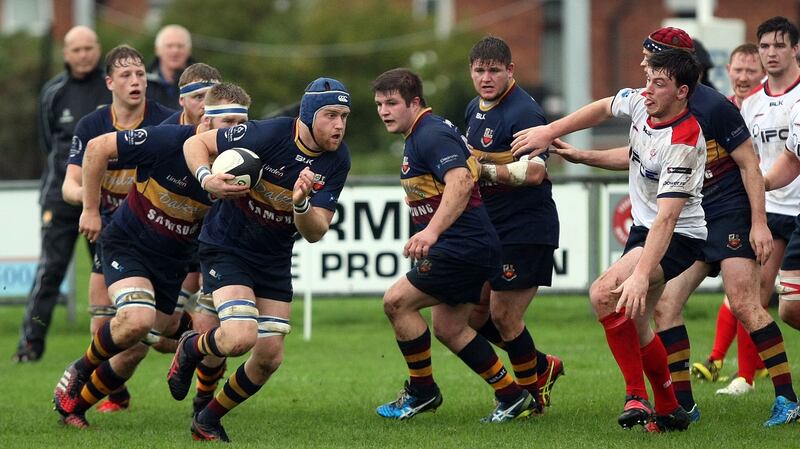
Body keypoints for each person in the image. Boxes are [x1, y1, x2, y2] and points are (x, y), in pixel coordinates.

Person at [515, 26, 800, 428]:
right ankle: (677, 405)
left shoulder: (710, 110)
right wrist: (577, 150)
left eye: (651, 59)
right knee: (662, 307)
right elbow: (637, 149)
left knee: (743, 303)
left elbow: (749, 165)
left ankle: (787, 399)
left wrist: (757, 222)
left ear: (677, 72)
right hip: (681, 213)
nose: (644, 67)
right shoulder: (648, 99)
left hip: (721, 212)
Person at [524, 49, 708, 432]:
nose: (648, 89)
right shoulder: (644, 104)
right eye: (648, 80)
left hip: (677, 235)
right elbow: (606, 112)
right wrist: (567, 143)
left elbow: (668, 218)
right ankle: (670, 409)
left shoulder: (684, 140)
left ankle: (635, 396)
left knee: (604, 294)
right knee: (636, 323)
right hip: (646, 228)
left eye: (659, 83)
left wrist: (640, 274)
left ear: (682, 92)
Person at [52, 82, 251, 430]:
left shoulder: (244, 165)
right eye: (228, 123)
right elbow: (97, 148)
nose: (236, 133)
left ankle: (76, 408)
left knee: (157, 339)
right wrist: (91, 210)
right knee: (137, 320)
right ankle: (79, 371)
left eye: (242, 124)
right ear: (206, 121)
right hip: (129, 245)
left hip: (173, 263)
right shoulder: (169, 140)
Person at [168, 77, 352, 442]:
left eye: (344, 116)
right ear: (309, 114)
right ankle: (190, 347)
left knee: (269, 357)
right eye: (331, 115)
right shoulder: (268, 134)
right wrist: (206, 178)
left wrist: (301, 203)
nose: (339, 125)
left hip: (274, 257)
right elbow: (195, 143)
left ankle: (207, 419)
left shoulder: (337, 160)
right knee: (240, 338)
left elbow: (315, 231)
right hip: (228, 246)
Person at [371, 68, 536, 424]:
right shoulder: (421, 133)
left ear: (415, 102)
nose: (384, 111)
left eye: (392, 103)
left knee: (397, 302)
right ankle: (511, 396)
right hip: (468, 246)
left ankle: (422, 391)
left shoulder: (429, 134)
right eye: (379, 104)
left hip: (462, 246)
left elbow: (460, 180)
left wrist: (430, 232)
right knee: (449, 328)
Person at [60, 44, 174, 413]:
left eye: (140, 74)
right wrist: (90, 205)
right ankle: (115, 393)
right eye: (125, 75)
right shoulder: (92, 126)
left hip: (159, 235)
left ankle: (201, 356)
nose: (135, 81)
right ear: (110, 82)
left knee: (155, 337)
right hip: (111, 232)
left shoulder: (165, 122)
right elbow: (69, 185)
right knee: (102, 328)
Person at [463, 36, 564, 409]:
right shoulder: (474, 107)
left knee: (505, 315)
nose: (486, 78)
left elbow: (535, 172)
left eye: (494, 70)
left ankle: (528, 399)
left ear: (510, 70)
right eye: (479, 70)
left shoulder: (523, 113)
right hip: (490, 227)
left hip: (525, 228)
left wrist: (484, 170)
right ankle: (541, 366)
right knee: (472, 315)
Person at [13, 26, 112, 363]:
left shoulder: (110, 87)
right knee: (51, 271)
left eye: (88, 48)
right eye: (76, 50)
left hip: (104, 198)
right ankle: (30, 344)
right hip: (60, 197)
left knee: (109, 271)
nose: (83, 55)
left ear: (97, 49)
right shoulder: (53, 92)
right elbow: (48, 143)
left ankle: (114, 344)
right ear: (66, 53)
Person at [690, 42, 768, 393]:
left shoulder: (771, 106)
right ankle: (736, 370)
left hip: (773, 206)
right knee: (744, 295)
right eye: (738, 69)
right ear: (728, 70)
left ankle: (736, 366)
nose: (743, 76)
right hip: (743, 209)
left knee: (757, 299)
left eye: (751, 70)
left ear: (763, 73)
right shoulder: (723, 108)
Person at [735, 16, 800, 407]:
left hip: (797, 207)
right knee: (754, 296)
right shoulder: (752, 103)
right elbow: (753, 159)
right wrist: (757, 192)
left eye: (779, 45)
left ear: (796, 49)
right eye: (765, 46)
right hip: (771, 208)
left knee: (790, 305)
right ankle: (747, 376)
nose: (771, 53)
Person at [146, 24, 194, 110]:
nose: (175, 51)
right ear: (157, 50)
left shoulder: (203, 84)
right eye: (169, 46)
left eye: (180, 46)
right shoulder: (143, 82)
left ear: (189, 50)